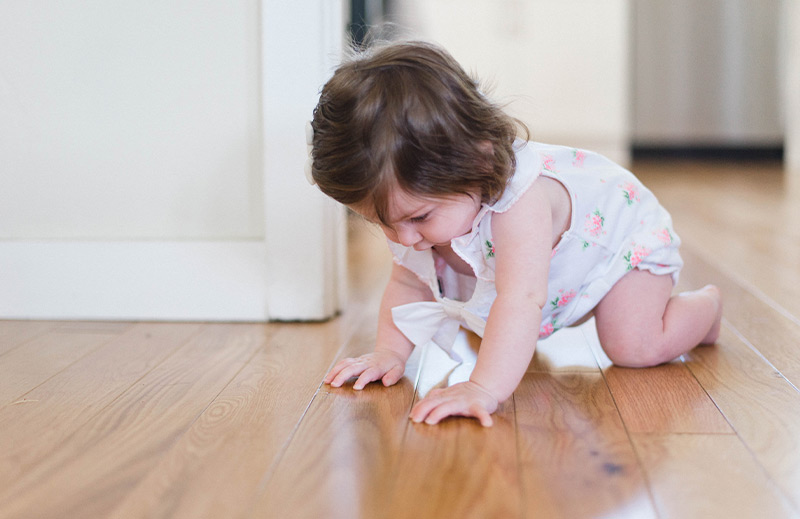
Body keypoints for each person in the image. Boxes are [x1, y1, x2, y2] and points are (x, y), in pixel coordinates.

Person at [308, 41, 722, 427]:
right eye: (381, 222)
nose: (402, 238)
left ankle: (705, 311)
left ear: (479, 161)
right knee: (480, 314)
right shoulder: (416, 212)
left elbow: (522, 297)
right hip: (559, 265)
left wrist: (483, 387)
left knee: (633, 346)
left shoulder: (519, 206)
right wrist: (389, 353)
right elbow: (408, 283)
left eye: (418, 218)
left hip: (618, 244)